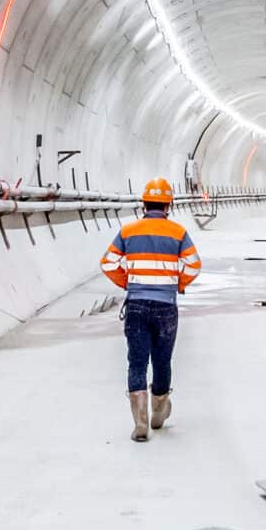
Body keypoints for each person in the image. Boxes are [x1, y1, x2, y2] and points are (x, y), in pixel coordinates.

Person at [99, 178, 202, 441]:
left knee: (136, 361)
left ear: (144, 204)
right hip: (166, 306)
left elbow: (108, 263)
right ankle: (159, 413)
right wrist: (176, 283)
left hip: (136, 306)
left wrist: (128, 283)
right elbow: (193, 265)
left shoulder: (128, 231)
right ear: (169, 204)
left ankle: (140, 422)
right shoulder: (178, 233)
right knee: (162, 360)